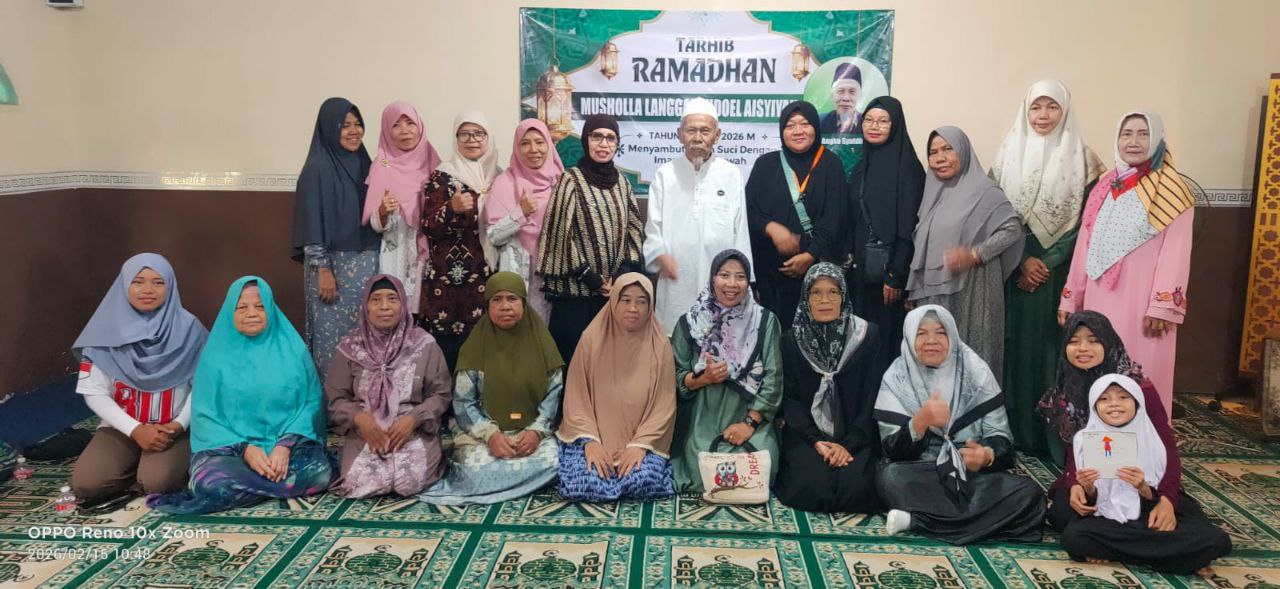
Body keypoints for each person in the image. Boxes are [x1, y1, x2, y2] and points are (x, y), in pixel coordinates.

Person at [147, 277, 330, 514]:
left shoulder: (294, 351)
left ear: (271, 309)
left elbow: (311, 403)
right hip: (230, 452)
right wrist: (246, 449)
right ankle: (276, 485)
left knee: (320, 472)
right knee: (210, 481)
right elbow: (205, 415)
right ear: (229, 312)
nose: (251, 313)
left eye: (260, 306)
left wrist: (284, 446)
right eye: (242, 307)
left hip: (286, 448)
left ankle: (251, 487)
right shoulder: (214, 357)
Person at [993, 80, 1106, 456]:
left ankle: (1054, 438)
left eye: (1052, 107)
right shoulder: (1007, 155)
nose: (1043, 115)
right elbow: (994, 215)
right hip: (1015, 270)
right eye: (1035, 107)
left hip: (1059, 275)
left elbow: (1088, 222)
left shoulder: (1085, 161)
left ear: (1065, 111)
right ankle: (1018, 433)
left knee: (1052, 350)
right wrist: (1022, 260)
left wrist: (1048, 260)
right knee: (1015, 351)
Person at [1058, 112, 1195, 418]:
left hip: (1143, 305)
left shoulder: (1172, 189)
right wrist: (1071, 296)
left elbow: (1176, 251)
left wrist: (1162, 306)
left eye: (1143, 134)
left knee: (1141, 372)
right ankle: (1099, 439)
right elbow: (1084, 245)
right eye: (1126, 134)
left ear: (1158, 139)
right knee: (1100, 368)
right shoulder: (1106, 185)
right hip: (1099, 299)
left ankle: (1146, 441)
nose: (1133, 142)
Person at [874, 305, 1045, 545]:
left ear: (953, 336)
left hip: (972, 475)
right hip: (922, 473)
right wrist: (920, 422)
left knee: (1030, 493)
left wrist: (987, 456)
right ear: (910, 337)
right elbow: (891, 451)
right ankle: (984, 523)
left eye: (940, 332)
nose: (931, 340)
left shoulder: (976, 371)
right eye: (921, 333)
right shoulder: (896, 377)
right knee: (891, 478)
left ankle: (919, 521)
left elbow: (1002, 438)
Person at [1052, 374, 1231, 576]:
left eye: (1123, 397)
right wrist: (1088, 488)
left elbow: (1164, 490)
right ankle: (1173, 558)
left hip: (1150, 514)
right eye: (1104, 399)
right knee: (1073, 537)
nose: (1114, 404)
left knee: (1217, 539)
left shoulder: (1154, 439)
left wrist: (1143, 487)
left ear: (1137, 402)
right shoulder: (1084, 440)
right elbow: (1097, 504)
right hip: (1110, 518)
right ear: (1094, 406)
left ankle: (1118, 552)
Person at [70, 253, 209, 507]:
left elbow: (202, 387)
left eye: (158, 282)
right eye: (138, 281)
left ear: (170, 286)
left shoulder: (190, 330)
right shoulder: (104, 330)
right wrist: (135, 430)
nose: (147, 290)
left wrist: (179, 424)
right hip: (122, 427)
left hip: (173, 428)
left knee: (158, 482)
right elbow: (95, 392)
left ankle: (146, 471)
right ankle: (133, 463)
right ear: (124, 285)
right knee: (87, 484)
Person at [420, 272, 564, 504]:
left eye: (512, 299)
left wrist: (536, 432)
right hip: (482, 435)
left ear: (524, 303)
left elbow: (552, 398)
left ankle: (499, 486)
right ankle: (523, 484)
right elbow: (464, 404)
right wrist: (491, 435)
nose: (505, 306)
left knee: (558, 462)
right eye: (497, 300)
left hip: (532, 434)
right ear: (487, 306)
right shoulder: (474, 348)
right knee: (474, 469)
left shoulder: (543, 345)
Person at [906, 126, 1023, 382]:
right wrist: (916, 289)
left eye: (948, 149)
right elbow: (925, 247)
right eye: (933, 152)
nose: (940, 158)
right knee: (936, 361)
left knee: (972, 360)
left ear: (964, 151)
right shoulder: (932, 194)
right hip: (936, 296)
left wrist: (975, 254)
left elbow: (1012, 229)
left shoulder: (985, 191)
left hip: (973, 290)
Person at [326, 275, 453, 499]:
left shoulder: (424, 344)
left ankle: (433, 457)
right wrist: (360, 419)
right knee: (364, 484)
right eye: (376, 300)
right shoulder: (350, 348)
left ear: (403, 304)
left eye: (392, 299)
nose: (384, 306)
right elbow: (335, 399)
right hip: (366, 432)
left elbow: (441, 394)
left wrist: (414, 418)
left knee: (409, 483)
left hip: (412, 430)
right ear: (365, 306)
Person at [556, 273, 676, 502]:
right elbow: (576, 398)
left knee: (641, 481)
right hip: (592, 437)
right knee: (587, 484)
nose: (633, 308)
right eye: (626, 300)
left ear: (650, 305)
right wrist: (591, 442)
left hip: (643, 441)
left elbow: (664, 405)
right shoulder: (591, 339)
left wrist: (640, 445)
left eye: (641, 302)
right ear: (613, 302)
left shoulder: (660, 344)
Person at [669, 250, 782, 493]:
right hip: (703, 415)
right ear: (712, 279)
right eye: (724, 275)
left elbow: (773, 378)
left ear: (748, 282)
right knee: (701, 473)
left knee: (763, 467)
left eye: (740, 277)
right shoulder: (690, 323)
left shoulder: (764, 321)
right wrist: (704, 378)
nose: (732, 284)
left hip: (749, 413)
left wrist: (749, 424)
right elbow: (675, 376)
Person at [773, 263, 881, 513]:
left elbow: (872, 396)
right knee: (811, 488)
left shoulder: (867, 336)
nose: (825, 300)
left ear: (844, 296)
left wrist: (848, 444)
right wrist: (816, 441)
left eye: (833, 292)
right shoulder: (792, 340)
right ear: (806, 298)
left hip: (856, 434)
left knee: (857, 490)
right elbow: (791, 399)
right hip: (807, 435)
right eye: (816, 293)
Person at [537, 114, 645, 362]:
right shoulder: (571, 179)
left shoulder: (622, 184)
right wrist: (590, 277)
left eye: (610, 138)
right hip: (575, 295)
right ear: (586, 140)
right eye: (597, 137)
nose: (603, 144)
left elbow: (634, 229)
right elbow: (560, 235)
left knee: (608, 363)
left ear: (617, 143)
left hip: (612, 294)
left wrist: (620, 275)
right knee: (574, 362)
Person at [644, 98, 752, 335]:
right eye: (691, 130)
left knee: (720, 342)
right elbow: (653, 229)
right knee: (676, 342)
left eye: (705, 130)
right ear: (679, 134)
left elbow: (740, 230)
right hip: (676, 283)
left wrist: (742, 280)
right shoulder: (664, 175)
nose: (697, 137)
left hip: (721, 284)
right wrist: (660, 255)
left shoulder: (731, 174)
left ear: (717, 135)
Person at [293, 97, 381, 380]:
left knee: (367, 337)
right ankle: (332, 404)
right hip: (333, 269)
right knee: (332, 343)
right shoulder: (317, 168)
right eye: (345, 125)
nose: (354, 131)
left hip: (368, 264)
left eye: (358, 124)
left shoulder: (366, 164)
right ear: (329, 128)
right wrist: (322, 269)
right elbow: (311, 219)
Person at [746, 101, 847, 330]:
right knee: (773, 337)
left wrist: (810, 255)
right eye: (790, 125)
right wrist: (771, 227)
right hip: (770, 279)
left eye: (805, 124)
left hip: (816, 277)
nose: (798, 131)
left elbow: (836, 218)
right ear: (782, 131)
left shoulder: (831, 165)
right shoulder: (765, 165)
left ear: (816, 128)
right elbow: (748, 212)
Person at [848, 96, 924, 379]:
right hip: (860, 277)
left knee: (884, 346)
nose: (874, 126)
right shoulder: (861, 166)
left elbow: (909, 226)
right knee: (860, 347)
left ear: (895, 125)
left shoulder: (908, 169)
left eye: (883, 121)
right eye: (868, 120)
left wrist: (895, 274)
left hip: (888, 279)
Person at [420, 112, 501, 370]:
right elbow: (427, 227)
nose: (472, 140)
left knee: (483, 348)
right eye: (464, 134)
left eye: (479, 133)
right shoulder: (442, 176)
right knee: (446, 354)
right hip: (446, 281)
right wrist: (451, 208)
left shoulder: (500, 177)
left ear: (488, 137)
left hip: (486, 274)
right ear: (455, 138)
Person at [1041, 312, 1164, 476]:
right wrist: (1075, 483)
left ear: (1108, 342)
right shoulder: (1067, 386)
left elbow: (1164, 441)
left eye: (1093, 341)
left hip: (1141, 473)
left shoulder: (1135, 385)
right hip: (1092, 475)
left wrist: (1160, 490)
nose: (1082, 348)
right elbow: (1074, 452)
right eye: (1073, 341)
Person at [363, 101, 442, 312]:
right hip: (395, 253)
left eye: (410, 123)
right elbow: (375, 224)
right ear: (387, 131)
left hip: (430, 256)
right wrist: (382, 212)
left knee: (426, 312)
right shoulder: (382, 165)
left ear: (420, 126)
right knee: (395, 311)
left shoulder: (435, 163)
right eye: (396, 125)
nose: (404, 130)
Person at [485, 119, 565, 322]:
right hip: (518, 274)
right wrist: (521, 213)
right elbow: (493, 236)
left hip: (556, 279)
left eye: (539, 142)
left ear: (549, 145)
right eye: (525, 143)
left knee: (549, 334)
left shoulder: (562, 184)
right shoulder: (504, 182)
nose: (533, 149)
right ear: (517, 147)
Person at [819, 62, 863, 135]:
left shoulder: (866, 122)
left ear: (860, 95)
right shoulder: (820, 121)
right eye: (841, 91)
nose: (846, 98)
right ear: (832, 94)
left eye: (852, 92)